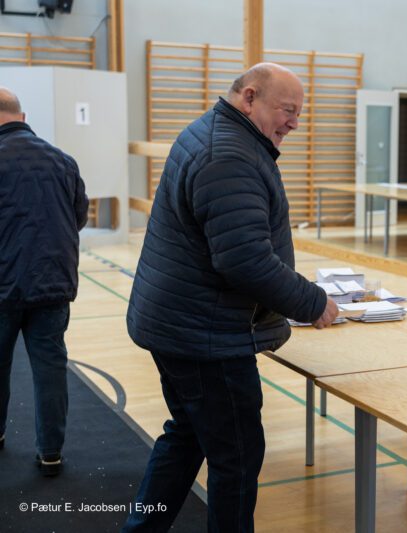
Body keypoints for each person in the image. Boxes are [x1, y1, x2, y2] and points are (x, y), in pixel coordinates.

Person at [123, 63, 339, 532]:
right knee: (236, 458)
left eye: (299, 114)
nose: (294, 123)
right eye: (287, 110)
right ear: (249, 97)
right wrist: (312, 302)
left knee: (187, 435)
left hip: (181, 321)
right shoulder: (229, 155)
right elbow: (245, 261)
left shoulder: (219, 135)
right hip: (206, 335)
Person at [0, 87, 89, 477]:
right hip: (53, 283)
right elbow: (78, 216)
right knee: (51, 367)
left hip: (3, 284)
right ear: (22, 117)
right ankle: (50, 452)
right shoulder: (62, 160)